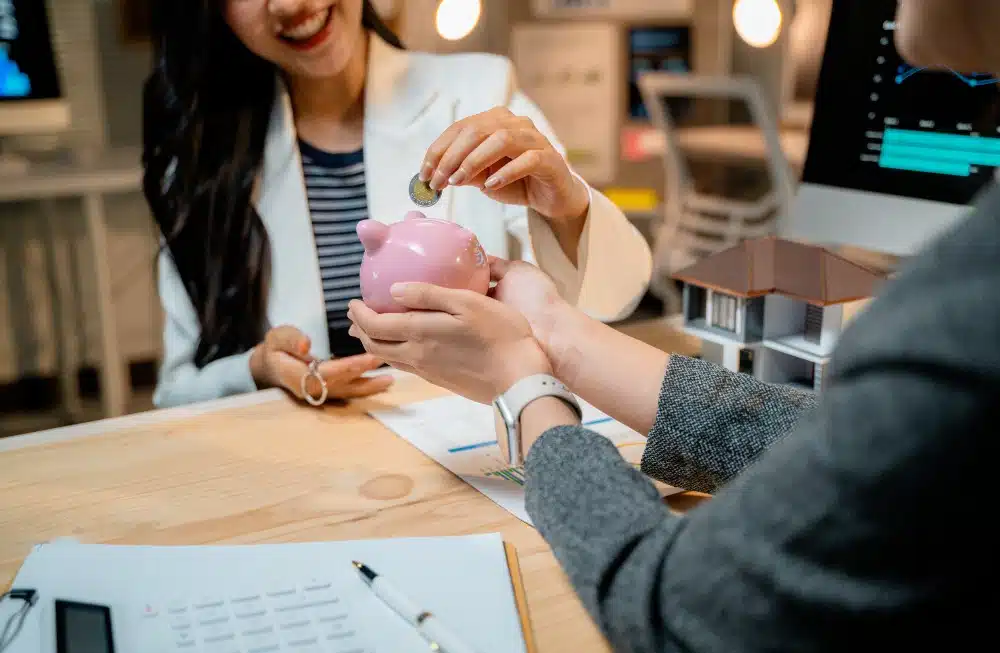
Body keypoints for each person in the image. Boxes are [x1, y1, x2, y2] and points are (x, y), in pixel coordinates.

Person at [346, 1, 1000, 648]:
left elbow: (681, 608)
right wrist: (551, 332)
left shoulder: (963, 314)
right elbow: (812, 446)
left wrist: (528, 391)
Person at [142, 0, 651, 409]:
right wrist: (259, 368)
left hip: (471, 450)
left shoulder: (477, 91)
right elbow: (175, 390)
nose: (292, 5)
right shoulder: (202, 166)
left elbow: (616, 295)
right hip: (303, 472)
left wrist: (566, 207)